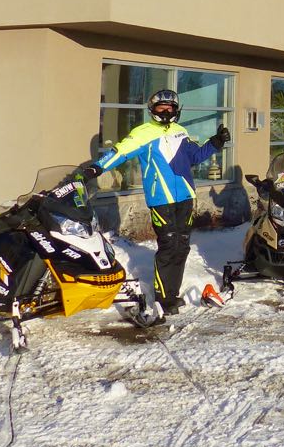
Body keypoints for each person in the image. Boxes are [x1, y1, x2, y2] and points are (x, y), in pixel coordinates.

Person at [85, 89, 229, 314]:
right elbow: (120, 152)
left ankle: (172, 294)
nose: (165, 111)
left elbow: (194, 157)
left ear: (176, 110)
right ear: (152, 110)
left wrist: (215, 142)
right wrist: (97, 167)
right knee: (168, 245)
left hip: (186, 197)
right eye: (161, 108)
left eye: (170, 107)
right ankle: (163, 299)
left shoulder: (180, 131)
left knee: (181, 246)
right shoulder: (143, 133)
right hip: (161, 199)